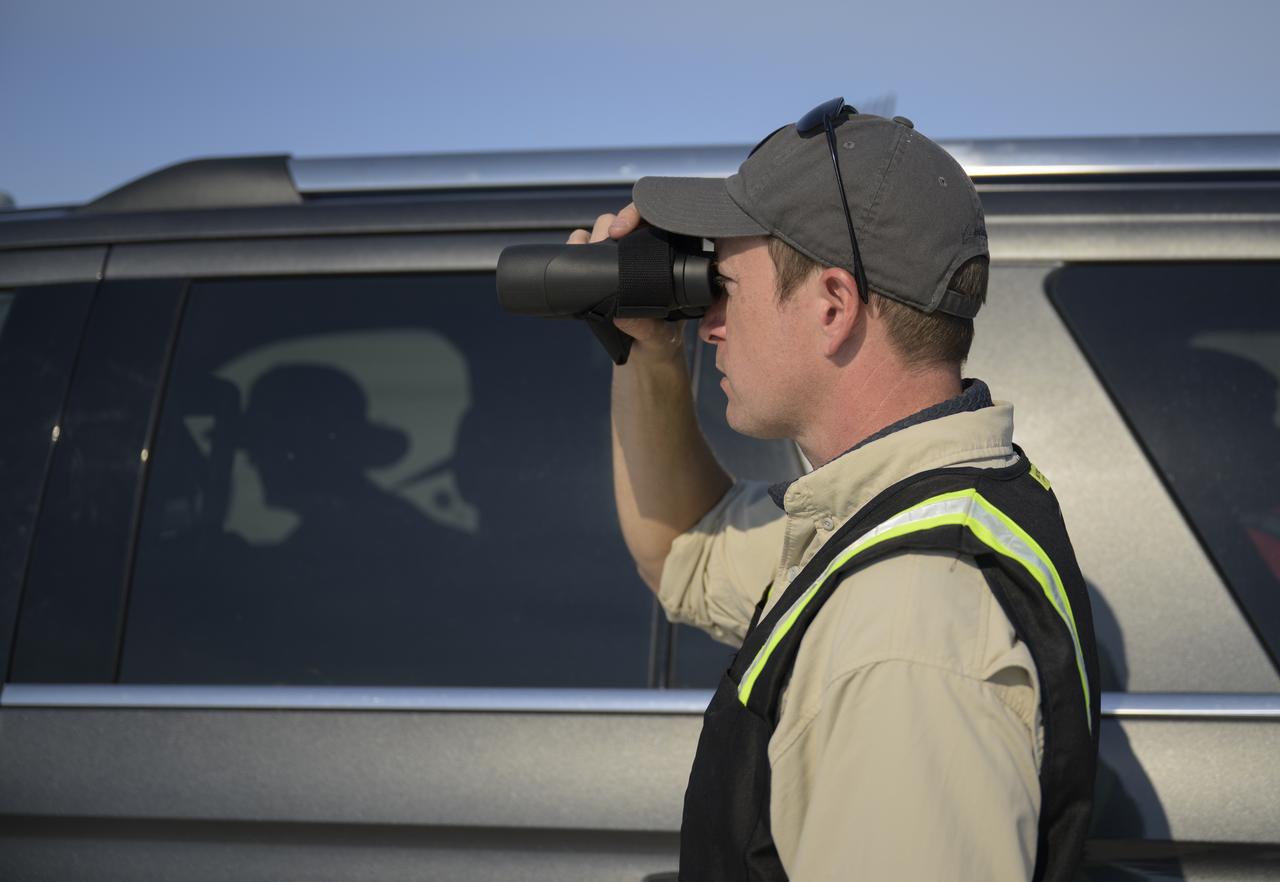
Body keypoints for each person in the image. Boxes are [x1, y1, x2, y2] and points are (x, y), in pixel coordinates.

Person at [569, 100, 1101, 881]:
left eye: (725, 286)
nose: (709, 320)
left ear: (832, 304)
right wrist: (650, 353)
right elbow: (684, 547)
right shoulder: (907, 513)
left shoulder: (901, 637)